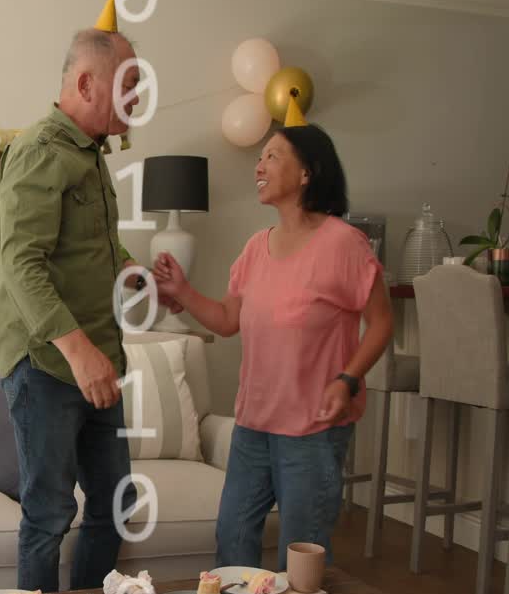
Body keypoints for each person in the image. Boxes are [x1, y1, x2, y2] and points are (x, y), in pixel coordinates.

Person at [154, 124, 393, 571]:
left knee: (300, 554)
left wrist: (347, 379)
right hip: (254, 423)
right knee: (233, 535)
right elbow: (228, 320)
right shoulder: (254, 249)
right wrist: (182, 290)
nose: (259, 167)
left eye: (273, 156)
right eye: (260, 157)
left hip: (312, 427)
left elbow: (381, 324)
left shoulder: (343, 244)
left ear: (307, 172)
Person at [0, 18, 175, 592]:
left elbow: (90, 241)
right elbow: (21, 263)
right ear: (88, 83)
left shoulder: (92, 155)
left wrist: (130, 270)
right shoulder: (40, 150)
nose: (137, 101)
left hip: (99, 363)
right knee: (48, 516)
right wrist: (80, 353)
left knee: (110, 509)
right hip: (51, 366)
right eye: (128, 87)